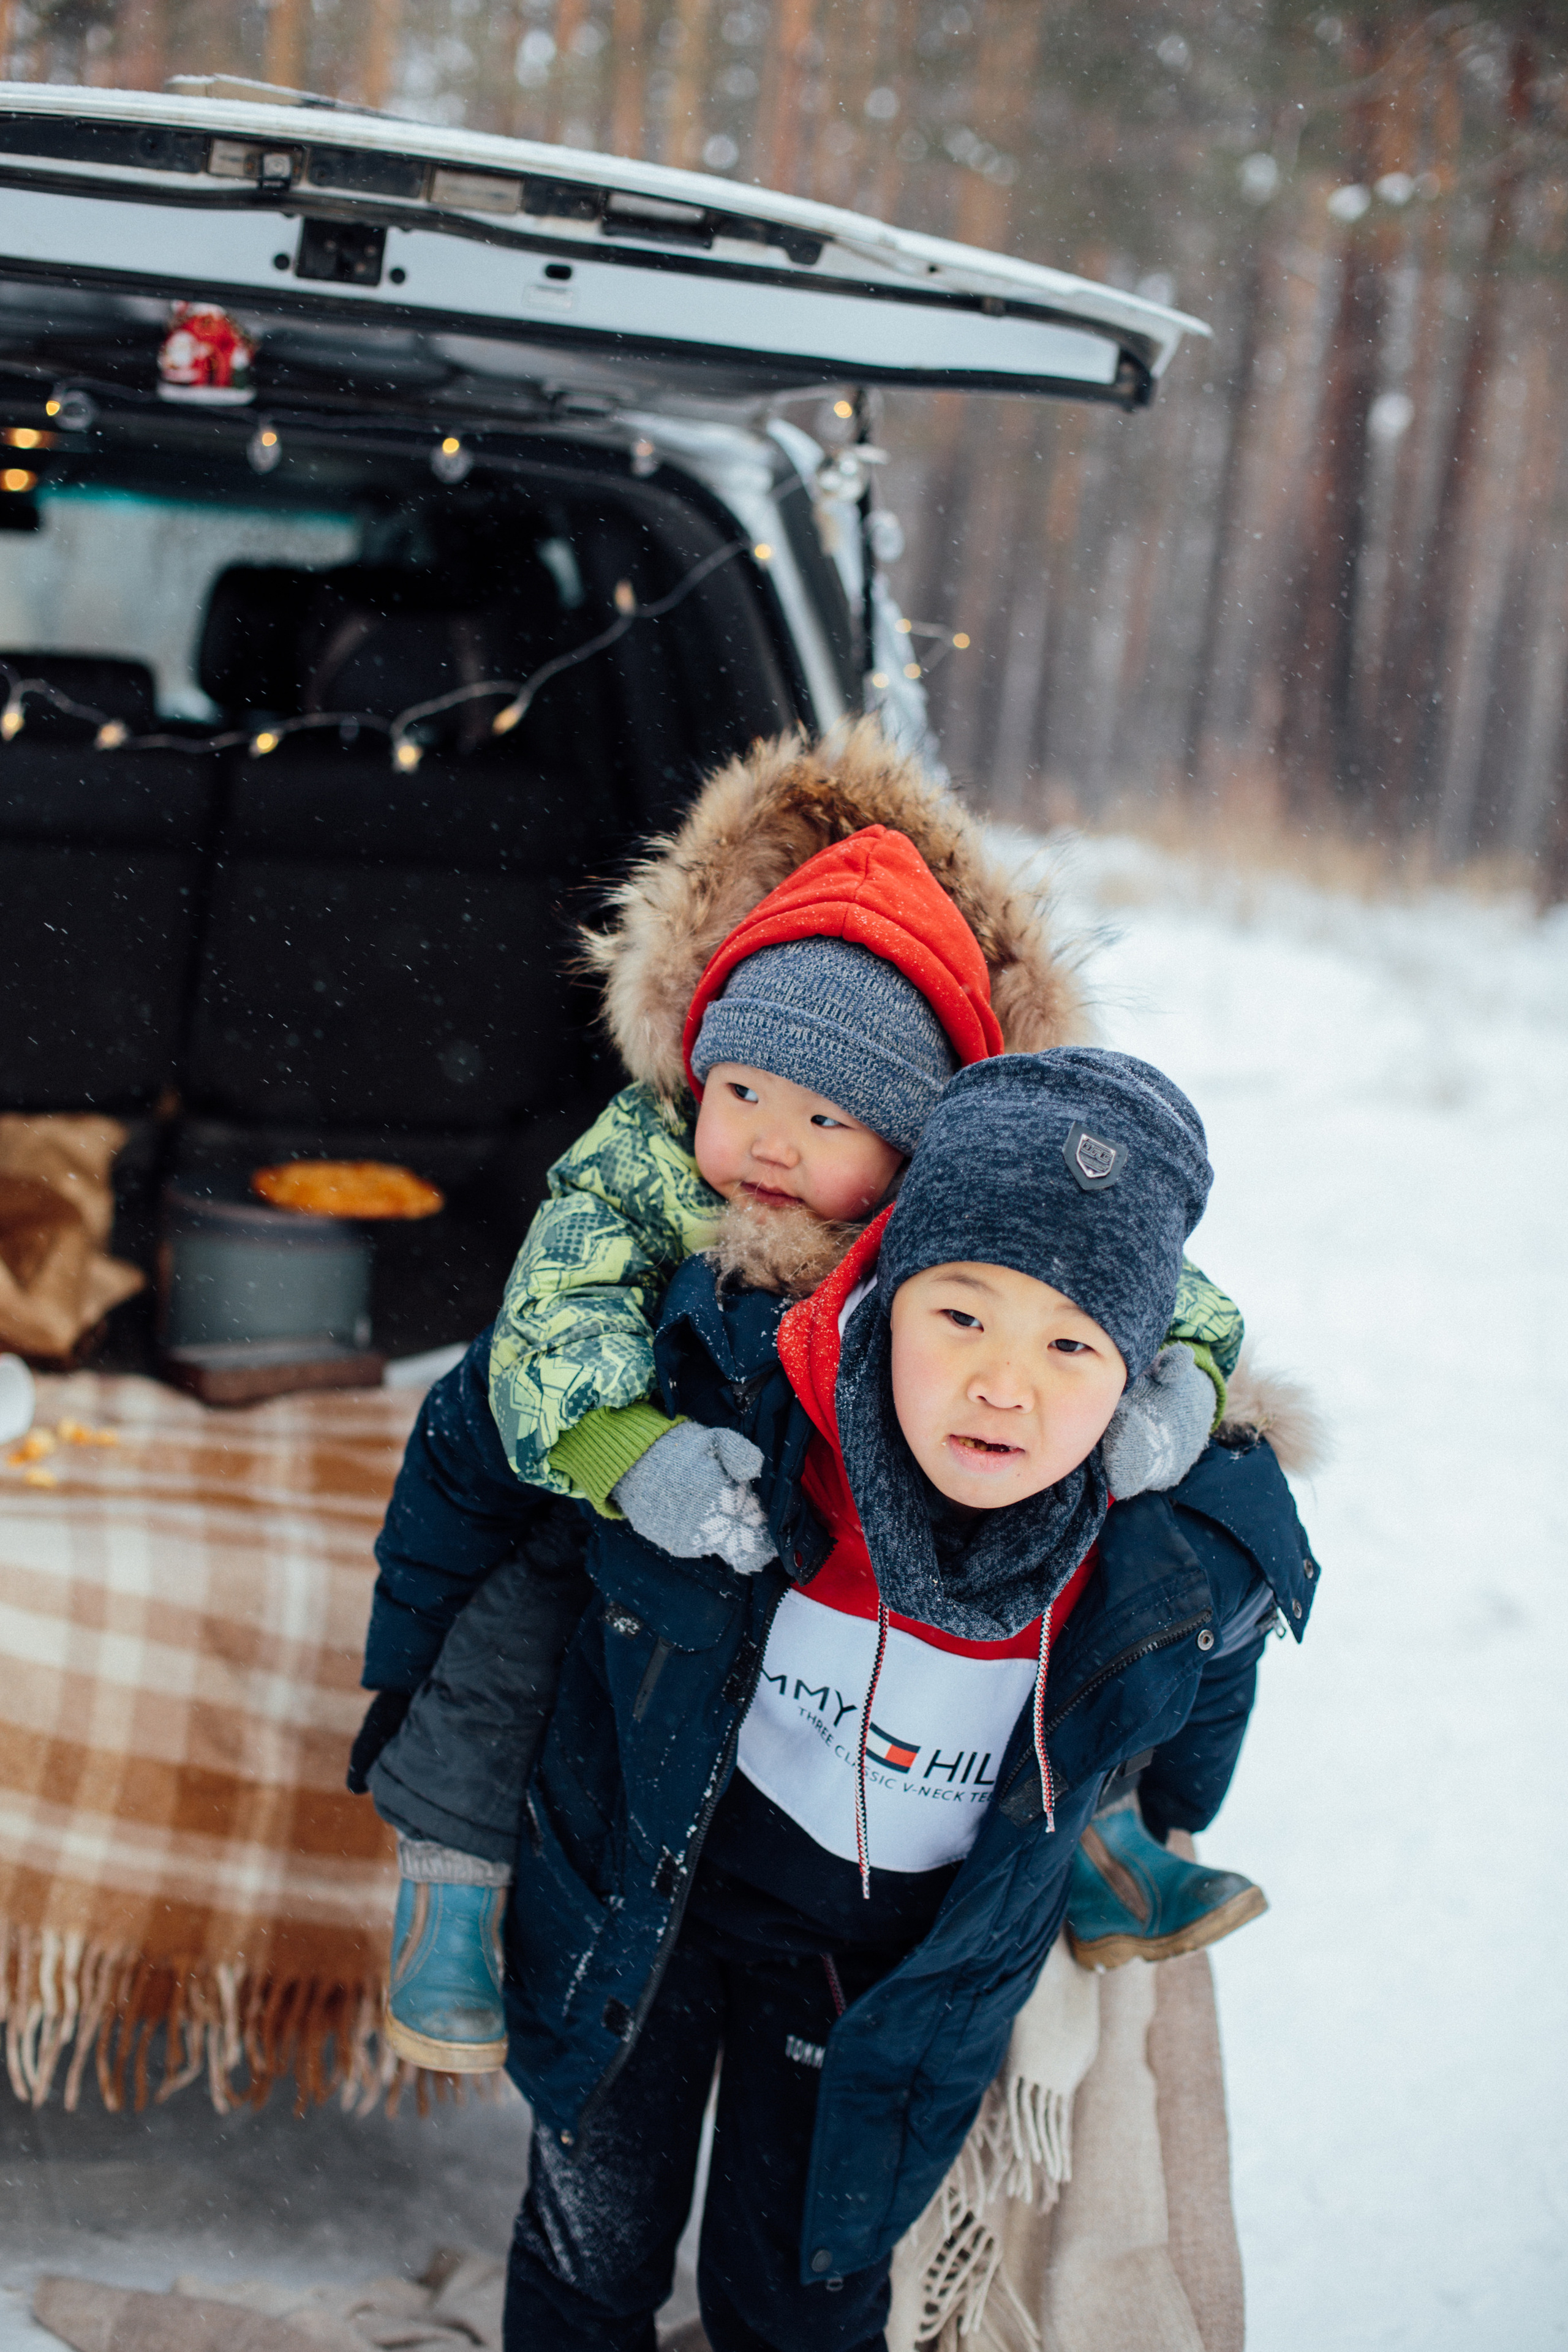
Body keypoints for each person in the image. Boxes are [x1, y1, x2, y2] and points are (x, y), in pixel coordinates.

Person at [352, 734, 1261, 2071]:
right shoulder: (646, 1165)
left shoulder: (964, 1203)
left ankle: (1105, 1839)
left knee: (1084, 1577)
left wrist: (1178, 1395)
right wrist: (627, 1453)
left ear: (915, 1142)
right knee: (526, 1605)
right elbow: (555, 1307)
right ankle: (451, 1878)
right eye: (740, 1093)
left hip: (895, 1497)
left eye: (826, 1121)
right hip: (670, 1494)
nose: (768, 1141)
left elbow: (1152, 1291)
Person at [482, 1047, 1315, 2349]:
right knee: (592, 2254)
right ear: (882, 1292)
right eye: (960, 1315)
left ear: (1141, 1372)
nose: (1003, 1384)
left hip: (872, 1982)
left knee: (799, 2297)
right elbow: (529, 1498)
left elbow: (1208, 1681)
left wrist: (1168, 1801)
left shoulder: (1174, 1544)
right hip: (657, 1905)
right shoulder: (739, 1407)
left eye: (1070, 1343)